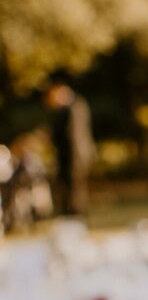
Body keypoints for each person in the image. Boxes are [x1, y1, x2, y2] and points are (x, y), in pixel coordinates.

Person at [43, 81, 95, 215]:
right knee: (76, 188)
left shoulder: (71, 109)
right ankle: (75, 214)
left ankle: (74, 215)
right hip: (79, 154)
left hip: (73, 156)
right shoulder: (80, 104)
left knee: (73, 188)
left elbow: (71, 135)